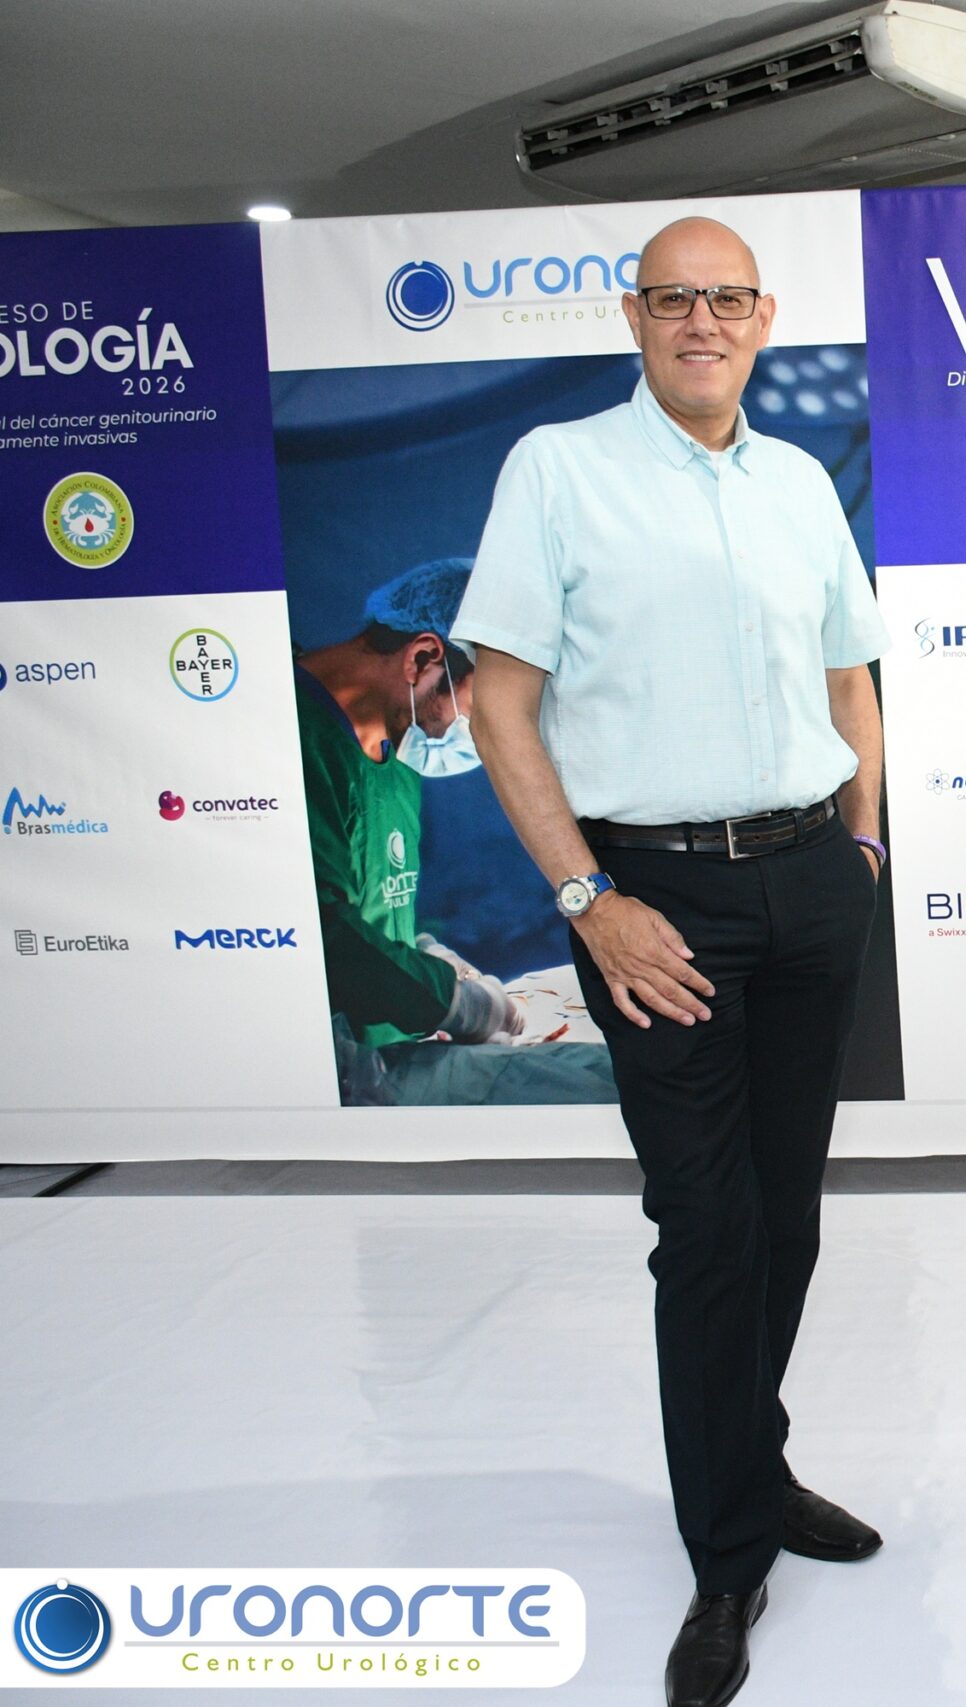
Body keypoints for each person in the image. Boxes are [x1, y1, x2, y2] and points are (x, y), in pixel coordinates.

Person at [453, 216, 890, 1707]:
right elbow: (500, 704)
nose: (702, 320)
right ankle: (727, 1556)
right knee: (708, 1229)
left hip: (811, 881)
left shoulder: (797, 484)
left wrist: (862, 847)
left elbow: (849, 674)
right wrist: (590, 899)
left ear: (763, 318)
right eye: (673, 298)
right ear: (634, 317)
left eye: (727, 298)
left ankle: (750, 1469)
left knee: (786, 1218)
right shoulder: (558, 470)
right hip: (655, 902)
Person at [295, 559, 617, 1106]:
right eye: (485, 713)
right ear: (424, 658)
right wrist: (453, 1002)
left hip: (397, 1041)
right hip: (332, 1074)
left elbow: (373, 912)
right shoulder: (293, 739)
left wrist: (428, 957)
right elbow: (319, 934)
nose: (490, 737)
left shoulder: (395, 757)